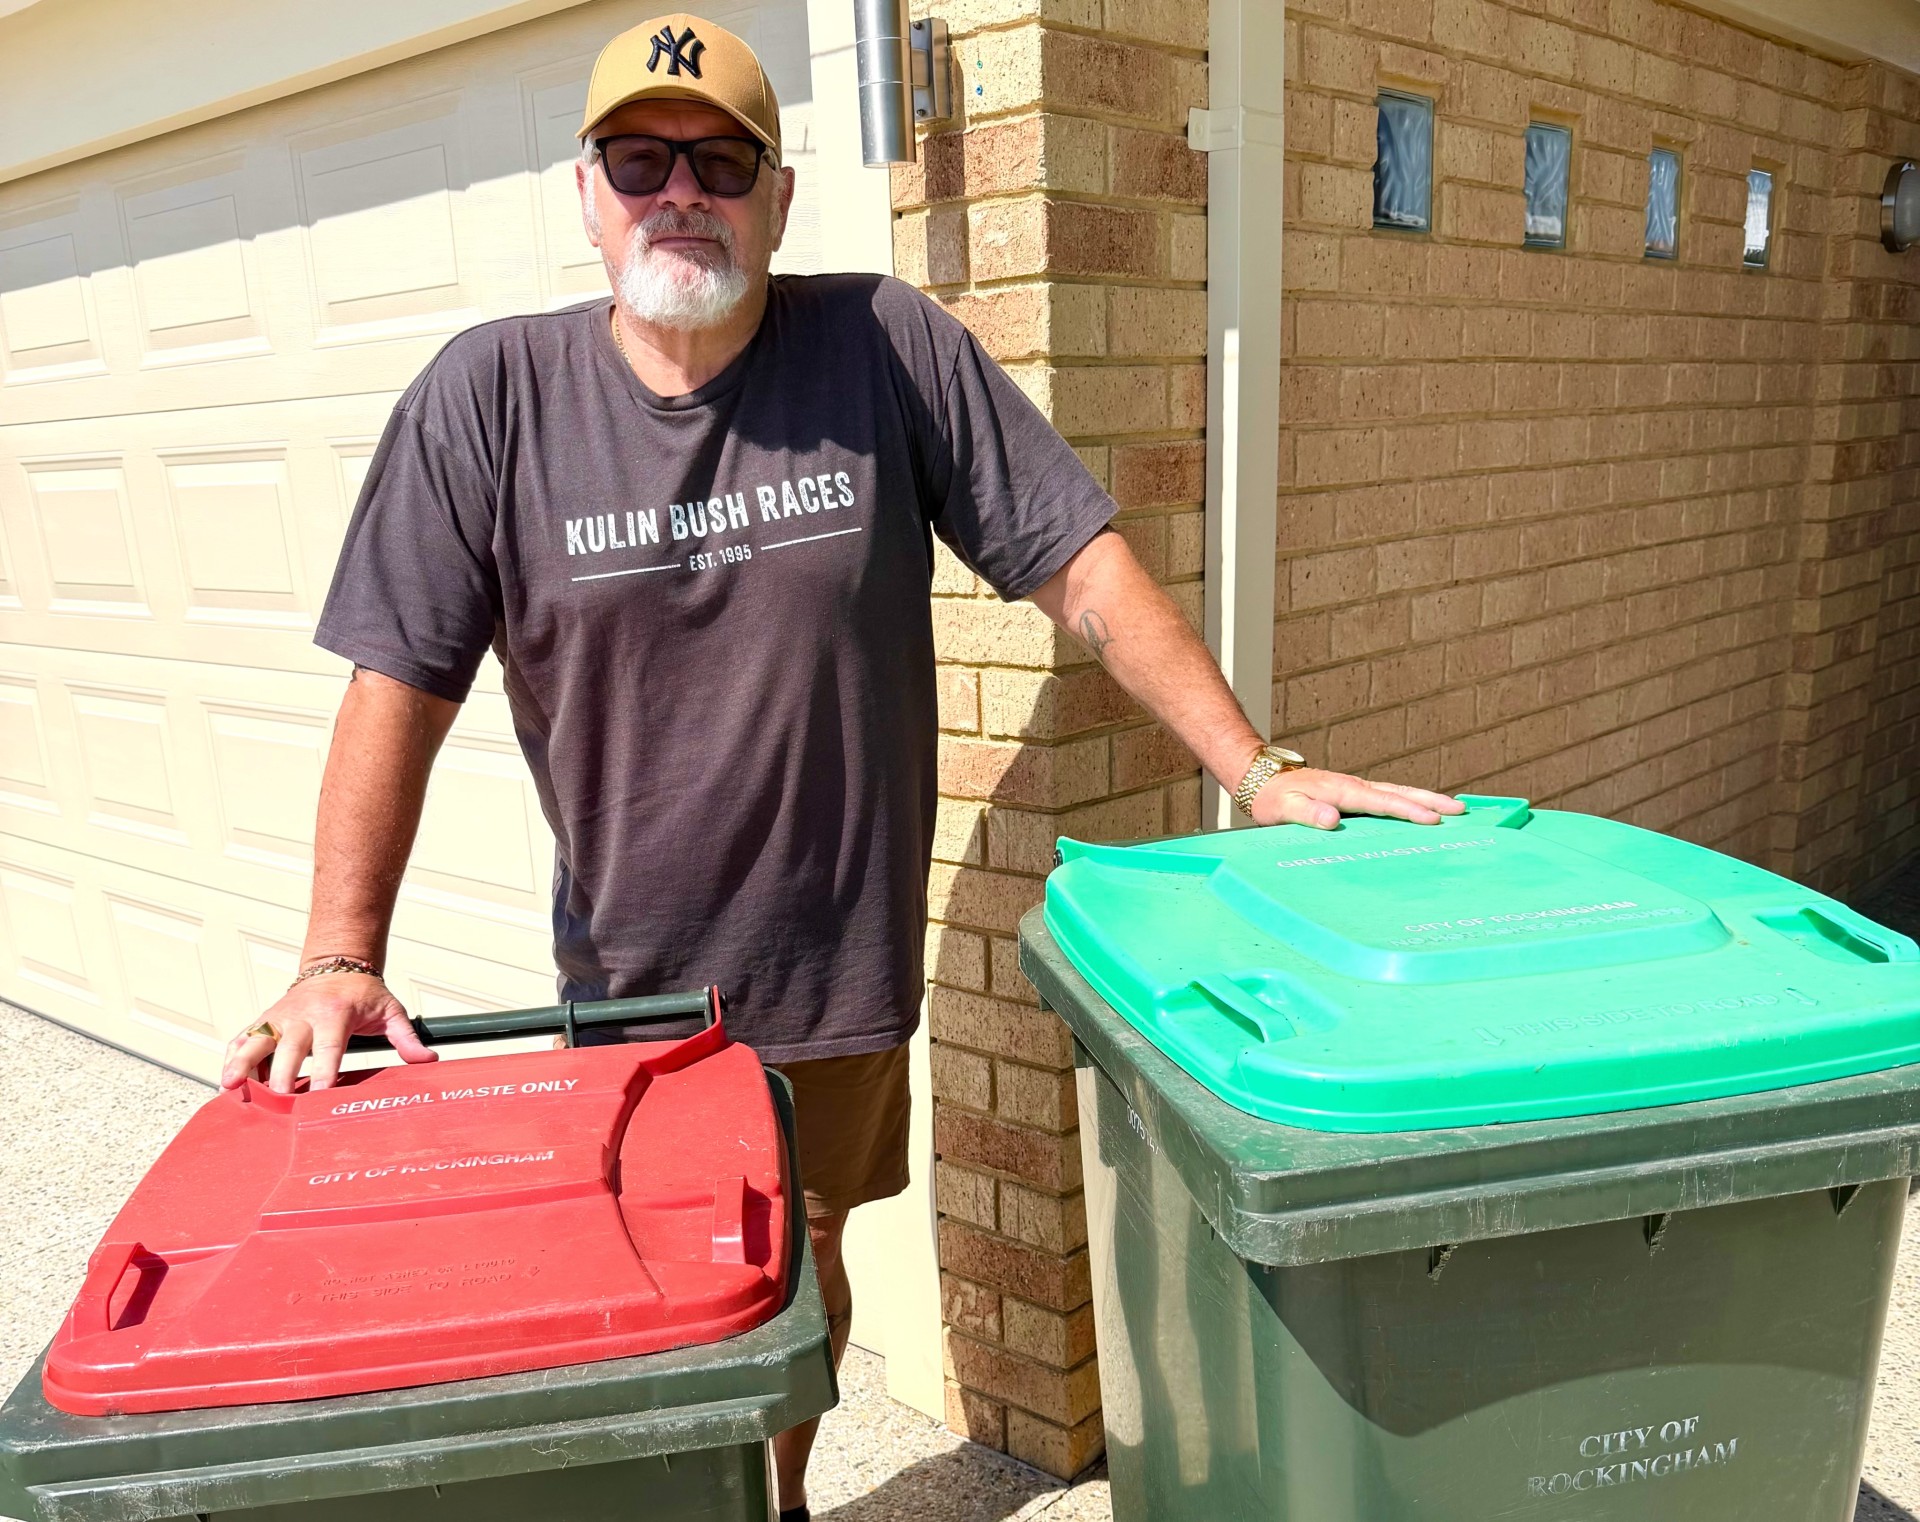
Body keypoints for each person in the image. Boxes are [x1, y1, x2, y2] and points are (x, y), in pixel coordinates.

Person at [221, 12, 1461, 1516]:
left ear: (780, 196)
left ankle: (782, 1502)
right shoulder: (490, 398)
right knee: (649, 1275)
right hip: (629, 981)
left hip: (832, 969)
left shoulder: (882, 345)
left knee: (802, 1260)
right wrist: (339, 955)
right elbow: (397, 684)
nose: (682, 191)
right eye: (640, 160)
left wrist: (1254, 768)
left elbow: (1077, 562)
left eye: (722, 162)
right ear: (588, 194)